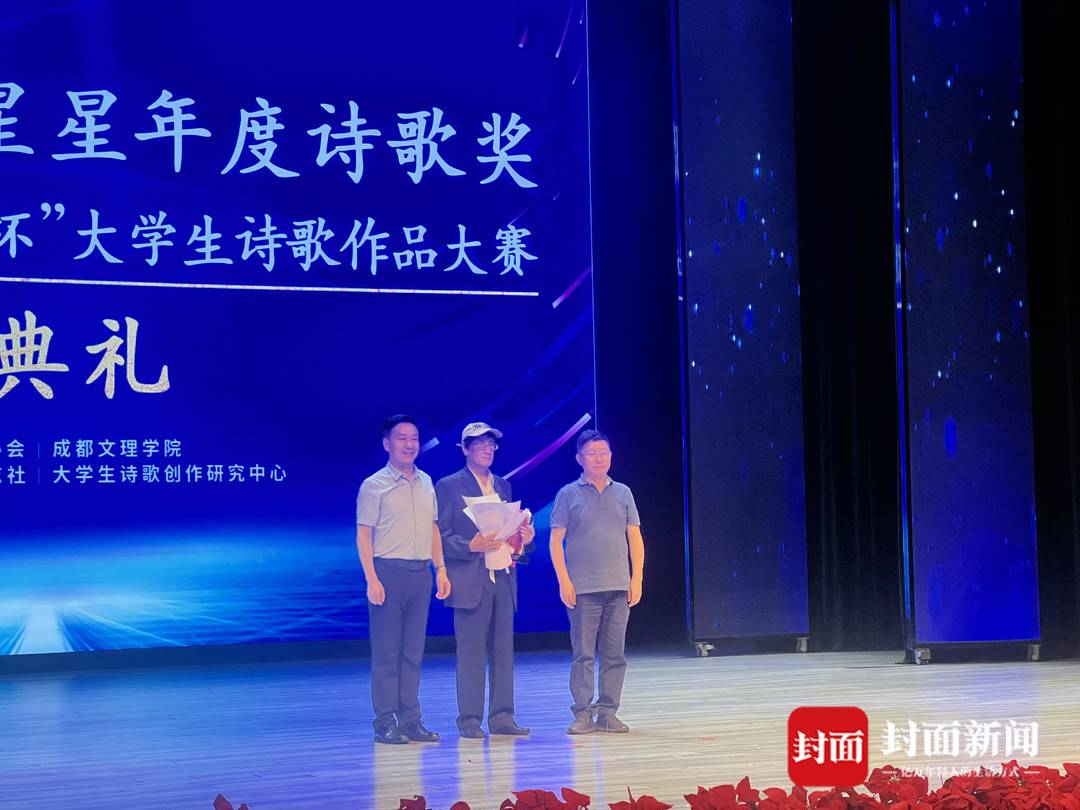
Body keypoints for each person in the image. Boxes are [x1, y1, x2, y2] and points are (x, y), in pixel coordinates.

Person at [436, 422, 536, 738]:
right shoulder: (449, 486)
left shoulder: (503, 485)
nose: (487, 449)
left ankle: (502, 717)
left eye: (491, 444)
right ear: (464, 449)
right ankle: (469, 720)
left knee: (504, 651)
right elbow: (439, 536)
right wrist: (470, 545)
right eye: (479, 444)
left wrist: (524, 538)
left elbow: (510, 535)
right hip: (470, 579)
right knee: (471, 654)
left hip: (503, 578)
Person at [356, 414, 451, 744]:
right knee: (387, 653)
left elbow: (434, 529)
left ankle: (411, 719)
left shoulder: (426, 482)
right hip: (388, 572)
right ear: (387, 444)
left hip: (420, 574)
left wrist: (440, 569)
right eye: (402, 438)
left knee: (413, 652)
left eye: (414, 438)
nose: (410, 444)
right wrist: (371, 578)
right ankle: (384, 721)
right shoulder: (374, 485)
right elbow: (364, 534)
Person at [549, 429, 644, 734]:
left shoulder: (623, 492)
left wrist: (637, 578)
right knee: (584, 655)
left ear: (611, 456)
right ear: (579, 458)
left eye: (604, 452)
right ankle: (582, 713)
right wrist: (564, 581)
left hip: (618, 586)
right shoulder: (568, 494)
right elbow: (555, 541)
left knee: (615, 654)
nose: (599, 458)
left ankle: (608, 712)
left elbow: (635, 537)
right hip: (583, 588)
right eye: (592, 453)